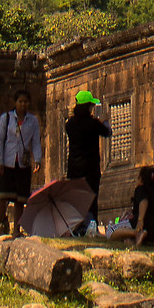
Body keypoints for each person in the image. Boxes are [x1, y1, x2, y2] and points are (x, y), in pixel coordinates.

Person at [0, 89, 42, 235]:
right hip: (7, 162)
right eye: (20, 101)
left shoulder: (32, 121)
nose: (23, 104)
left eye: (25, 102)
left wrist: (37, 160)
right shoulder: (5, 119)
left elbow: (36, 142)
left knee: (20, 199)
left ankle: (16, 230)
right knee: (3, 197)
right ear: (15, 103)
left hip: (23, 163)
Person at [65, 90, 110, 220]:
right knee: (91, 199)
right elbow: (107, 132)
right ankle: (91, 225)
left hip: (74, 169)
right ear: (88, 107)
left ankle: (77, 225)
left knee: (77, 200)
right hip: (91, 169)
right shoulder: (93, 124)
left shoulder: (70, 124)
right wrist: (104, 121)